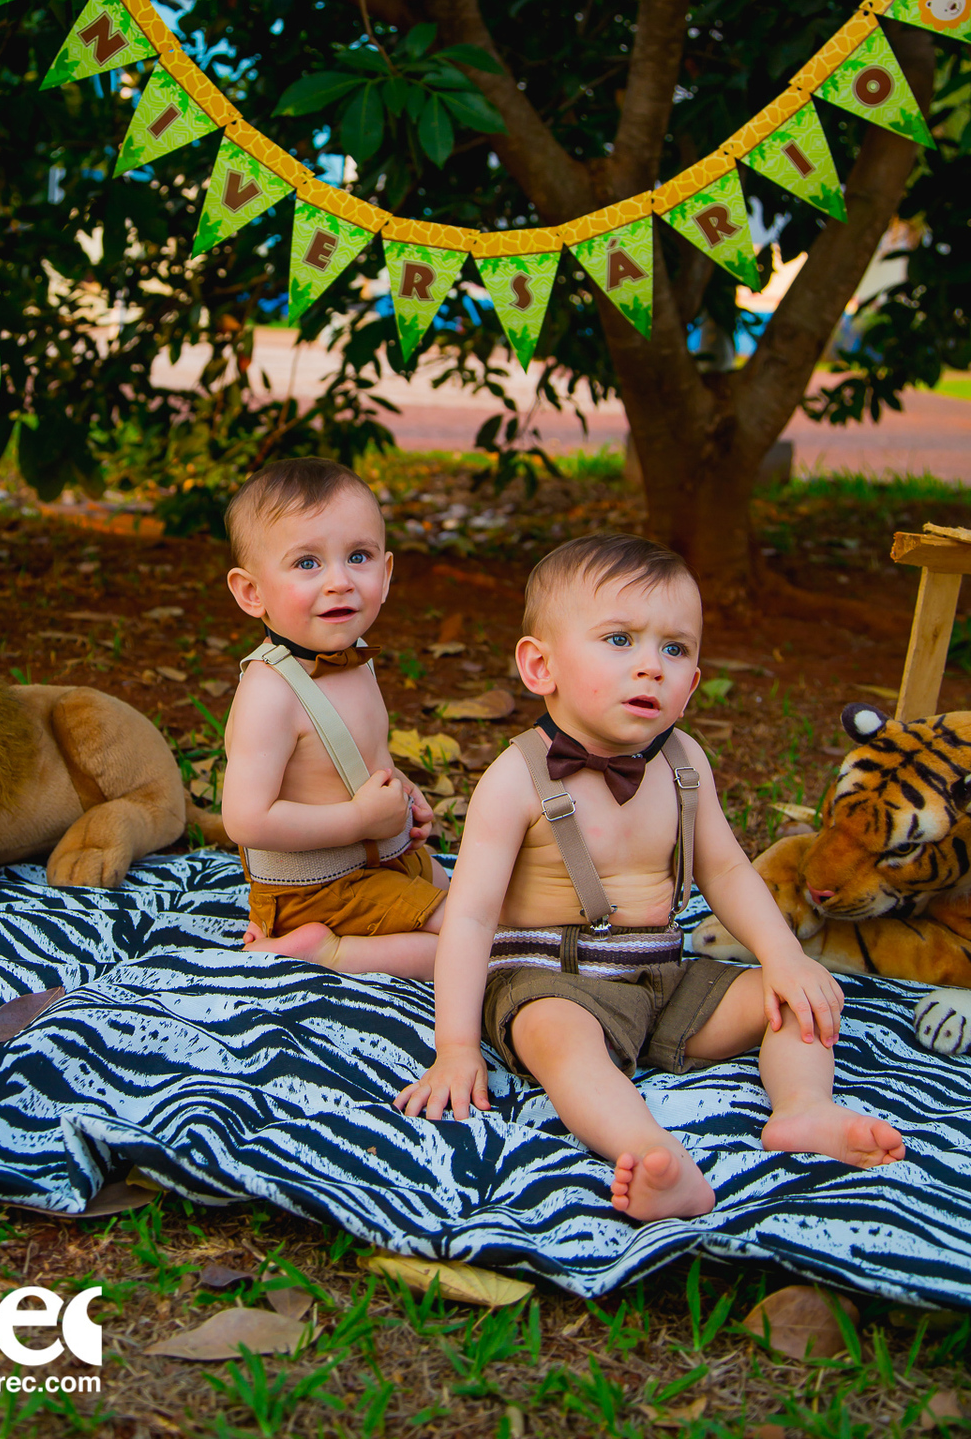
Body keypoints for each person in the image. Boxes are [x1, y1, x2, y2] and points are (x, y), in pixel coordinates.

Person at [396, 534, 905, 1222]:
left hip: (664, 977)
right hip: (553, 979)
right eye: (619, 640)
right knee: (561, 1041)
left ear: (692, 685)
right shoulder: (516, 779)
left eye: (674, 648)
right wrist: (456, 1047)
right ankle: (649, 1152)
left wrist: (784, 958)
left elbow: (727, 868)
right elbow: (471, 916)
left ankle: (803, 1109)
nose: (650, 667)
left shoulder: (684, 761)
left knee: (793, 1002)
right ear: (541, 666)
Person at [221, 459, 445, 975]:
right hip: (318, 889)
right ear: (252, 593)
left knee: (485, 904)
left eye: (358, 557)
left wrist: (403, 792)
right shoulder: (270, 692)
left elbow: (359, 758)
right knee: (472, 944)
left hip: (379, 860)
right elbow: (246, 819)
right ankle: (329, 951)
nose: (340, 581)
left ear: (385, 575)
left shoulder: (355, 654)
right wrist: (360, 820)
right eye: (307, 563)